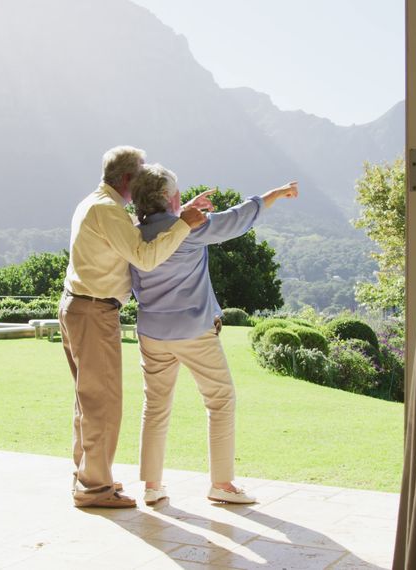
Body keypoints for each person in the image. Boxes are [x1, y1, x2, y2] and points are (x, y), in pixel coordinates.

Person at [129, 164, 298, 505]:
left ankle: (151, 486)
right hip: (193, 331)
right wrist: (275, 194)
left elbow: (167, 229)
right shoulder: (191, 229)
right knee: (220, 401)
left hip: (151, 333)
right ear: (167, 197)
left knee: (155, 406)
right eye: (176, 192)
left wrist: (181, 207)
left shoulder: (134, 233)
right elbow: (236, 219)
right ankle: (221, 485)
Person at [60, 146, 212, 508]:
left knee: (87, 401)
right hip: (94, 313)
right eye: (141, 173)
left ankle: (87, 479)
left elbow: (141, 237)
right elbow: (145, 257)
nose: (144, 179)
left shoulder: (95, 203)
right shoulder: (109, 211)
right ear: (127, 178)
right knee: (103, 404)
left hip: (80, 308)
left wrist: (177, 210)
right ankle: (94, 489)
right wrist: (184, 224)